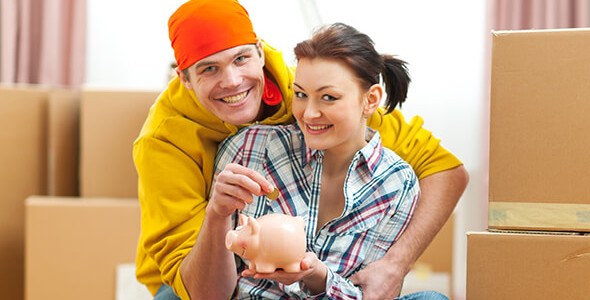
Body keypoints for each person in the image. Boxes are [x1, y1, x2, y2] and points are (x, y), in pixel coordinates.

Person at [133, 0, 468, 299]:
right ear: (184, 79)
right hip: (194, 277)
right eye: (209, 68)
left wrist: (394, 265)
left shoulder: (315, 86)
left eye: (241, 59)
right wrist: (217, 215)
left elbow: (447, 171)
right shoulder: (163, 142)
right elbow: (202, 290)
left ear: (260, 52)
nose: (233, 81)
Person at [209, 22, 446, 299]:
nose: (309, 114)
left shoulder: (397, 183)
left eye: (328, 98)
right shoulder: (250, 147)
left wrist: (316, 276)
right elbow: (211, 291)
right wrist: (216, 213)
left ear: (370, 100)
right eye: (300, 95)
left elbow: (371, 292)